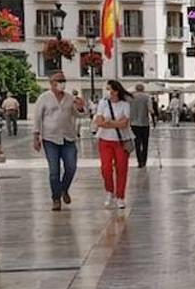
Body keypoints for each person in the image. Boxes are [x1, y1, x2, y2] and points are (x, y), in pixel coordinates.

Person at [32, 72, 85, 211]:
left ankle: (64, 189)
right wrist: (36, 137)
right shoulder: (44, 98)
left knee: (71, 167)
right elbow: (37, 118)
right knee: (54, 171)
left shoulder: (69, 98)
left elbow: (78, 114)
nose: (62, 83)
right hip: (50, 138)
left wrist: (81, 107)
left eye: (63, 80)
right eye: (59, 80)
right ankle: (56, 198)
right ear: (51, 82)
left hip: (68, 137)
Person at [94, 80, 132, 209]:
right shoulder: (103, 103)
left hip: (121, 141)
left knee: (122, 168)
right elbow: (99, 122)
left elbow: (124, 124)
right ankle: (109, 191)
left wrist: (108, 122)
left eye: (109, 89)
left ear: (116, 91)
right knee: (106, 168)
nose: (107, 91)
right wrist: (114, 123)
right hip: (104, 140)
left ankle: (120, 196)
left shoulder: (125, 104)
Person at [129, 82, 153, 168]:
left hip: (134, 123)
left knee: (137, 143)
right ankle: (144, 161)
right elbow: (150, 109)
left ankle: (139, 162)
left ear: (135, 89)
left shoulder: (131, 97)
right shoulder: (147, 97)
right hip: (144, 123)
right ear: (143, 89)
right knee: (145, 143)